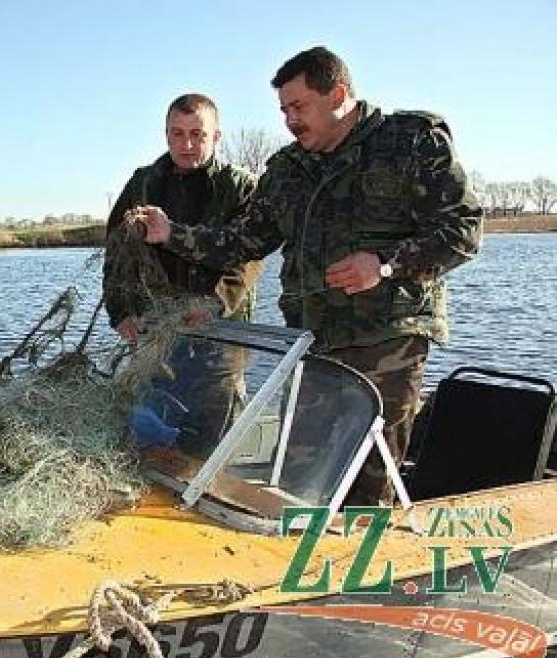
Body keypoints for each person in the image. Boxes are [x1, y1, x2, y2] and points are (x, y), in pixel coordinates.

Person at [135, 47, 483, 503]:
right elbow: (242, 242)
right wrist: (171, 233)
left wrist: (384, 265)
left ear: (338, 94)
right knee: (302, 477)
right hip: (313, 342)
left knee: (370, 482)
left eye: (299, 107)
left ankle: (375, 567)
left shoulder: (411, 141)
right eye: (283, 110)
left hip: (389, 339)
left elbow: (463, 230)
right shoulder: (286, 169)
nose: (289, 120)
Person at [102, 93, 262, 457]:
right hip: (154, 331)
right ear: (166, 134)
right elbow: (116, 254)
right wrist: (120, 312)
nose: (187, 144)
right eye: (177, 134)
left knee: (216, 435)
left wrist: (215, 303)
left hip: (220, 334)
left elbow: (249, 258)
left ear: (216, 137)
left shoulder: (240, 187)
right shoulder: (143, 183)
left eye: (198, 134)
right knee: (149, 427)